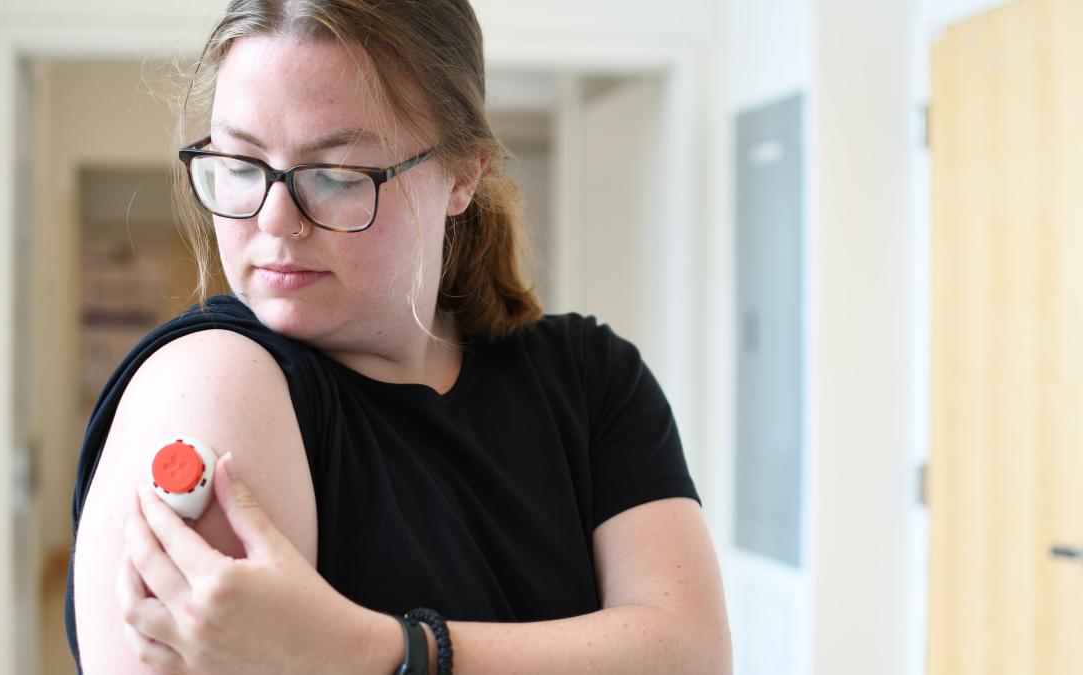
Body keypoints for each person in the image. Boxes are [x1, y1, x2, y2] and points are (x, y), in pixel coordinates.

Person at [66, 0, 732, 673]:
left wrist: (382, 650)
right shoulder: (214, 380)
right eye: (240, 164)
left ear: (465, 172)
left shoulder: (591, 379)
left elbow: (691, 655)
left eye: (334, 175)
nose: (274, 221)